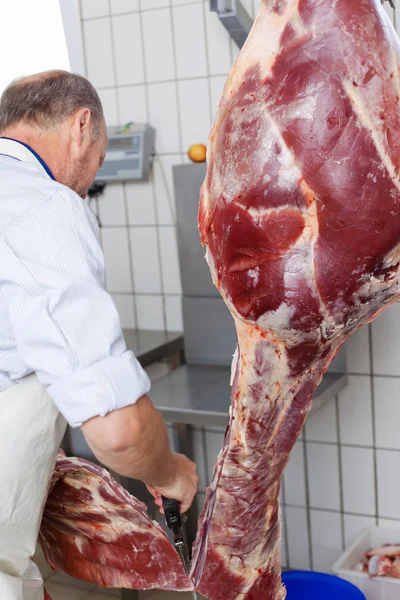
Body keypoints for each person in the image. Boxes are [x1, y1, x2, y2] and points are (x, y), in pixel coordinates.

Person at [0, 70, 198, 600]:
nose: (87, 182)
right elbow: (120, 431)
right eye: (98, 161)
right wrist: (171, 472)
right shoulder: (42, 206)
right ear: (82, 126)